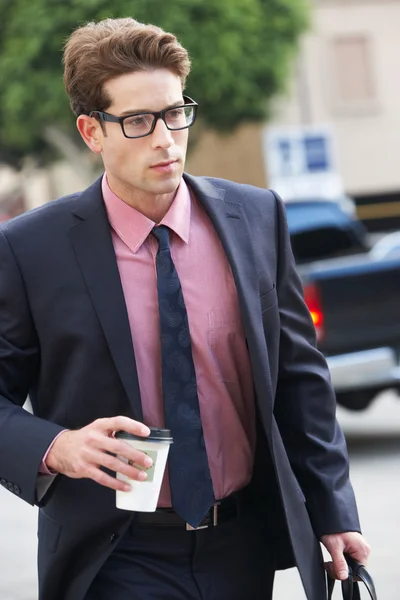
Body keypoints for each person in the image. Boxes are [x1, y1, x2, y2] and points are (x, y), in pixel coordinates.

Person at [0, 17, 370, 600]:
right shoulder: (29, 250)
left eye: (175, 113)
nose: (166, 139)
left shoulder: (256, 219)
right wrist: (57, 447)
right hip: (117, 552)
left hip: (244, 545)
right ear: (91, 132)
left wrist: (333, 509)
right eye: (138, 121)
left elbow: (300, 379)